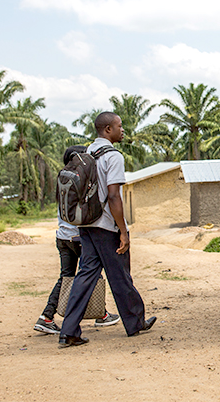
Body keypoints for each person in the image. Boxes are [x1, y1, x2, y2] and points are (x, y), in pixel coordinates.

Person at [58, 112, 156, 347]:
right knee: (120, 274)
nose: (122, 130)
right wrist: (122, 230)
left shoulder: (86, 153)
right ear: (107, 130)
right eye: (119, 126)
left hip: (86, 225)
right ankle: (135, 323)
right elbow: (113, 196)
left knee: (86, 275)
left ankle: (69, 330)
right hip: (105, 226)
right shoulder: (113, 157)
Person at [34, 145, 120, 335]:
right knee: (90, 275)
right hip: (79, 237)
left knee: (67, 277)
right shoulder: (83, 178)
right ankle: (101, 314)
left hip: (62, 237)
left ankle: (47, 316)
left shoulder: (64, 177)